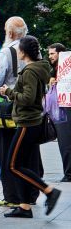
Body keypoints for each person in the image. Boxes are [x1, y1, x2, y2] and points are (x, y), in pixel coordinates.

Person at [0, 16, 42, 207]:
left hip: (9, 112)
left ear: (8, 33)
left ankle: (13, 196)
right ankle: (31, 196)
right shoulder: (35, 52)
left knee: (7, 154)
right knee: (30, 154)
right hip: (32, 112)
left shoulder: (5, 53)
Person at [0, 35, 61, 218]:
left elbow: (27, 98)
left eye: (19, 48)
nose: (17, 51)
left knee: (13, 165)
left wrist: (8, 91)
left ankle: (49, 191)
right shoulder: (39, 67)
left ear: (24, 51)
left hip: (28, 122)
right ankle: (24, 206)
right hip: (31, 121)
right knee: (22, 164)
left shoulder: (30, 71)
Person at [48, 43, 71, 182]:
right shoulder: (54, 71)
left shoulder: (66, 69)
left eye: (52, 54)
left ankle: (69, 175)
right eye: (49, 54)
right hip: (60, 109)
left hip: (66, 109)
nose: (50, 56)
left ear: (61, 54)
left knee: (65, 142)